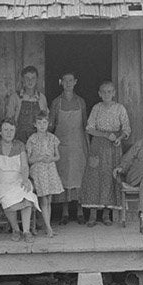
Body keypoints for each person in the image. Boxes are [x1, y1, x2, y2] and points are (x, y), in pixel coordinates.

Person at [80, 80, 130, 227]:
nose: (107, 94)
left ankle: (106, 215)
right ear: (99, 94)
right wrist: (105, 135)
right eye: (104, 92)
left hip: (113, 147)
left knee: (109, 177)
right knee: (95, 177)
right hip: (98, 145)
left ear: (114, 93)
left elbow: (127, 128)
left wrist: (119, 138)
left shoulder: (120, 108)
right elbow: (89, 128)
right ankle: (93, 215)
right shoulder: (97, 108)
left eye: (110, 91)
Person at [0, 118, 39, 243]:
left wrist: (25, 179)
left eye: (11, 130)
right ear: (0, 132)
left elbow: (24, 165)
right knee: (8, 199)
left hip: (17, 179)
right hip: (0, 182)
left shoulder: (20, 145)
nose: (9, 132)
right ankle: (16, 229)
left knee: (27, 194)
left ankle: (26, 231)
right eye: (5, 130)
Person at [48, 72, 88, 225]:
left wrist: (87, 146)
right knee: (63, 177)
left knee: (79, 177)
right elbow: (51, 125)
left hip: (78, 144)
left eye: (71, 80)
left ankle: (79, 211)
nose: (68, 83)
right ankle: (64, 212)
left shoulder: (81, 102)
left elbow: (85, 125)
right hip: (62, 146)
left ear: (75, 82)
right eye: (65, 81)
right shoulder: (56, 103)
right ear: (61, 82)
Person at [26, 110, 63, 237]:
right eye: (39, 123)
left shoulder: (52, 138)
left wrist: (50, 159)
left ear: (48, 124)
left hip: (50, 169)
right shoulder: (32, 139)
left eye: (45, 122)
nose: (42, 125)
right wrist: (39, 158)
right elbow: (29, 159)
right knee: (44, 198)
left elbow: (57, 156)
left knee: (49, 199)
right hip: (38, 170)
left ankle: (47, 225)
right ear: (35, 124)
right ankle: (48, 228)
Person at [4, 65, 49, 144]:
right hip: (19, 140)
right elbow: (9, 121)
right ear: (22, 80)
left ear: (37, 80)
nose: (30, 81)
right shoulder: (15, 97)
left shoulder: (41, 98)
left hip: (38, 141)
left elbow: (45, 120)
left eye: (33, 78)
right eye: (27, 78)